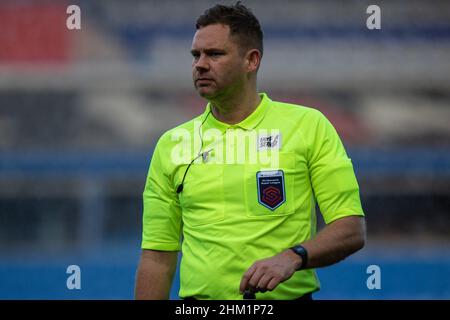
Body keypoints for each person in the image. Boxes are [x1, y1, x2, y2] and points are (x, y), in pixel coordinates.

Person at [135, 2, 365, 300]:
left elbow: (350, 229)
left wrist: (294, 257)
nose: (200, 64)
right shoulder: (172, 144)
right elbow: (157, 257)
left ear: (251, 60)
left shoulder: (308, 126)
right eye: (196, 55)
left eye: (214, 54)